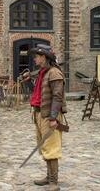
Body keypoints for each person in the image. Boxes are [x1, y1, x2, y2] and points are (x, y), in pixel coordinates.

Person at [26, 44, 67, 191]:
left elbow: (57, 96)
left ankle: (54, 182)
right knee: (44, 146)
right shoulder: (43, 72)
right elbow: (39, 94)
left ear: (44, 57)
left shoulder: (54, 73)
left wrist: (53, 117)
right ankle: (49, 176)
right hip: (39, 113)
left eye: (37, 56)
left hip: (49, 115)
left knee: (51, 147)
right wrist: (29, 82)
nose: (35, 59)